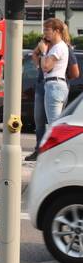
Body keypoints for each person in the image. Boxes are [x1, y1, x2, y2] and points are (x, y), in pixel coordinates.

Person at [27, 20, 80, 162]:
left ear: (57, 31)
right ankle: (47, 152)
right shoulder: (53, 46)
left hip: (55, 85)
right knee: (49, 123)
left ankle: (59, 155)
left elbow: (47, 67)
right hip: (50, 84)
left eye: (47, 30)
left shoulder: (60, 48)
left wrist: (44, 53)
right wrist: (42, 54)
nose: (44, 33)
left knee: (54, 125)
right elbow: (40, 63)